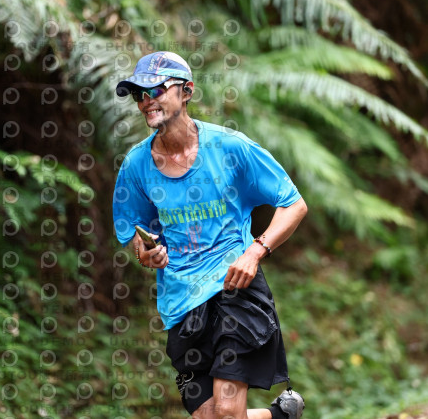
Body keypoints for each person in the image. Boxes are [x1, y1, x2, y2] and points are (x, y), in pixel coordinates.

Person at [112, 51, 308, 419]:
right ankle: (280, 416)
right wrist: (146, 253)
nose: (146, 100)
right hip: (181, 304)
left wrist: (255, 252)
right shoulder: (136, 166)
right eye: (139, 94)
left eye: (156, 90)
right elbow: (135, 232)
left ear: (186, 91)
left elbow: (293, 204)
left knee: (228, 413)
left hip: (235, 291)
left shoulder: (230, 147)